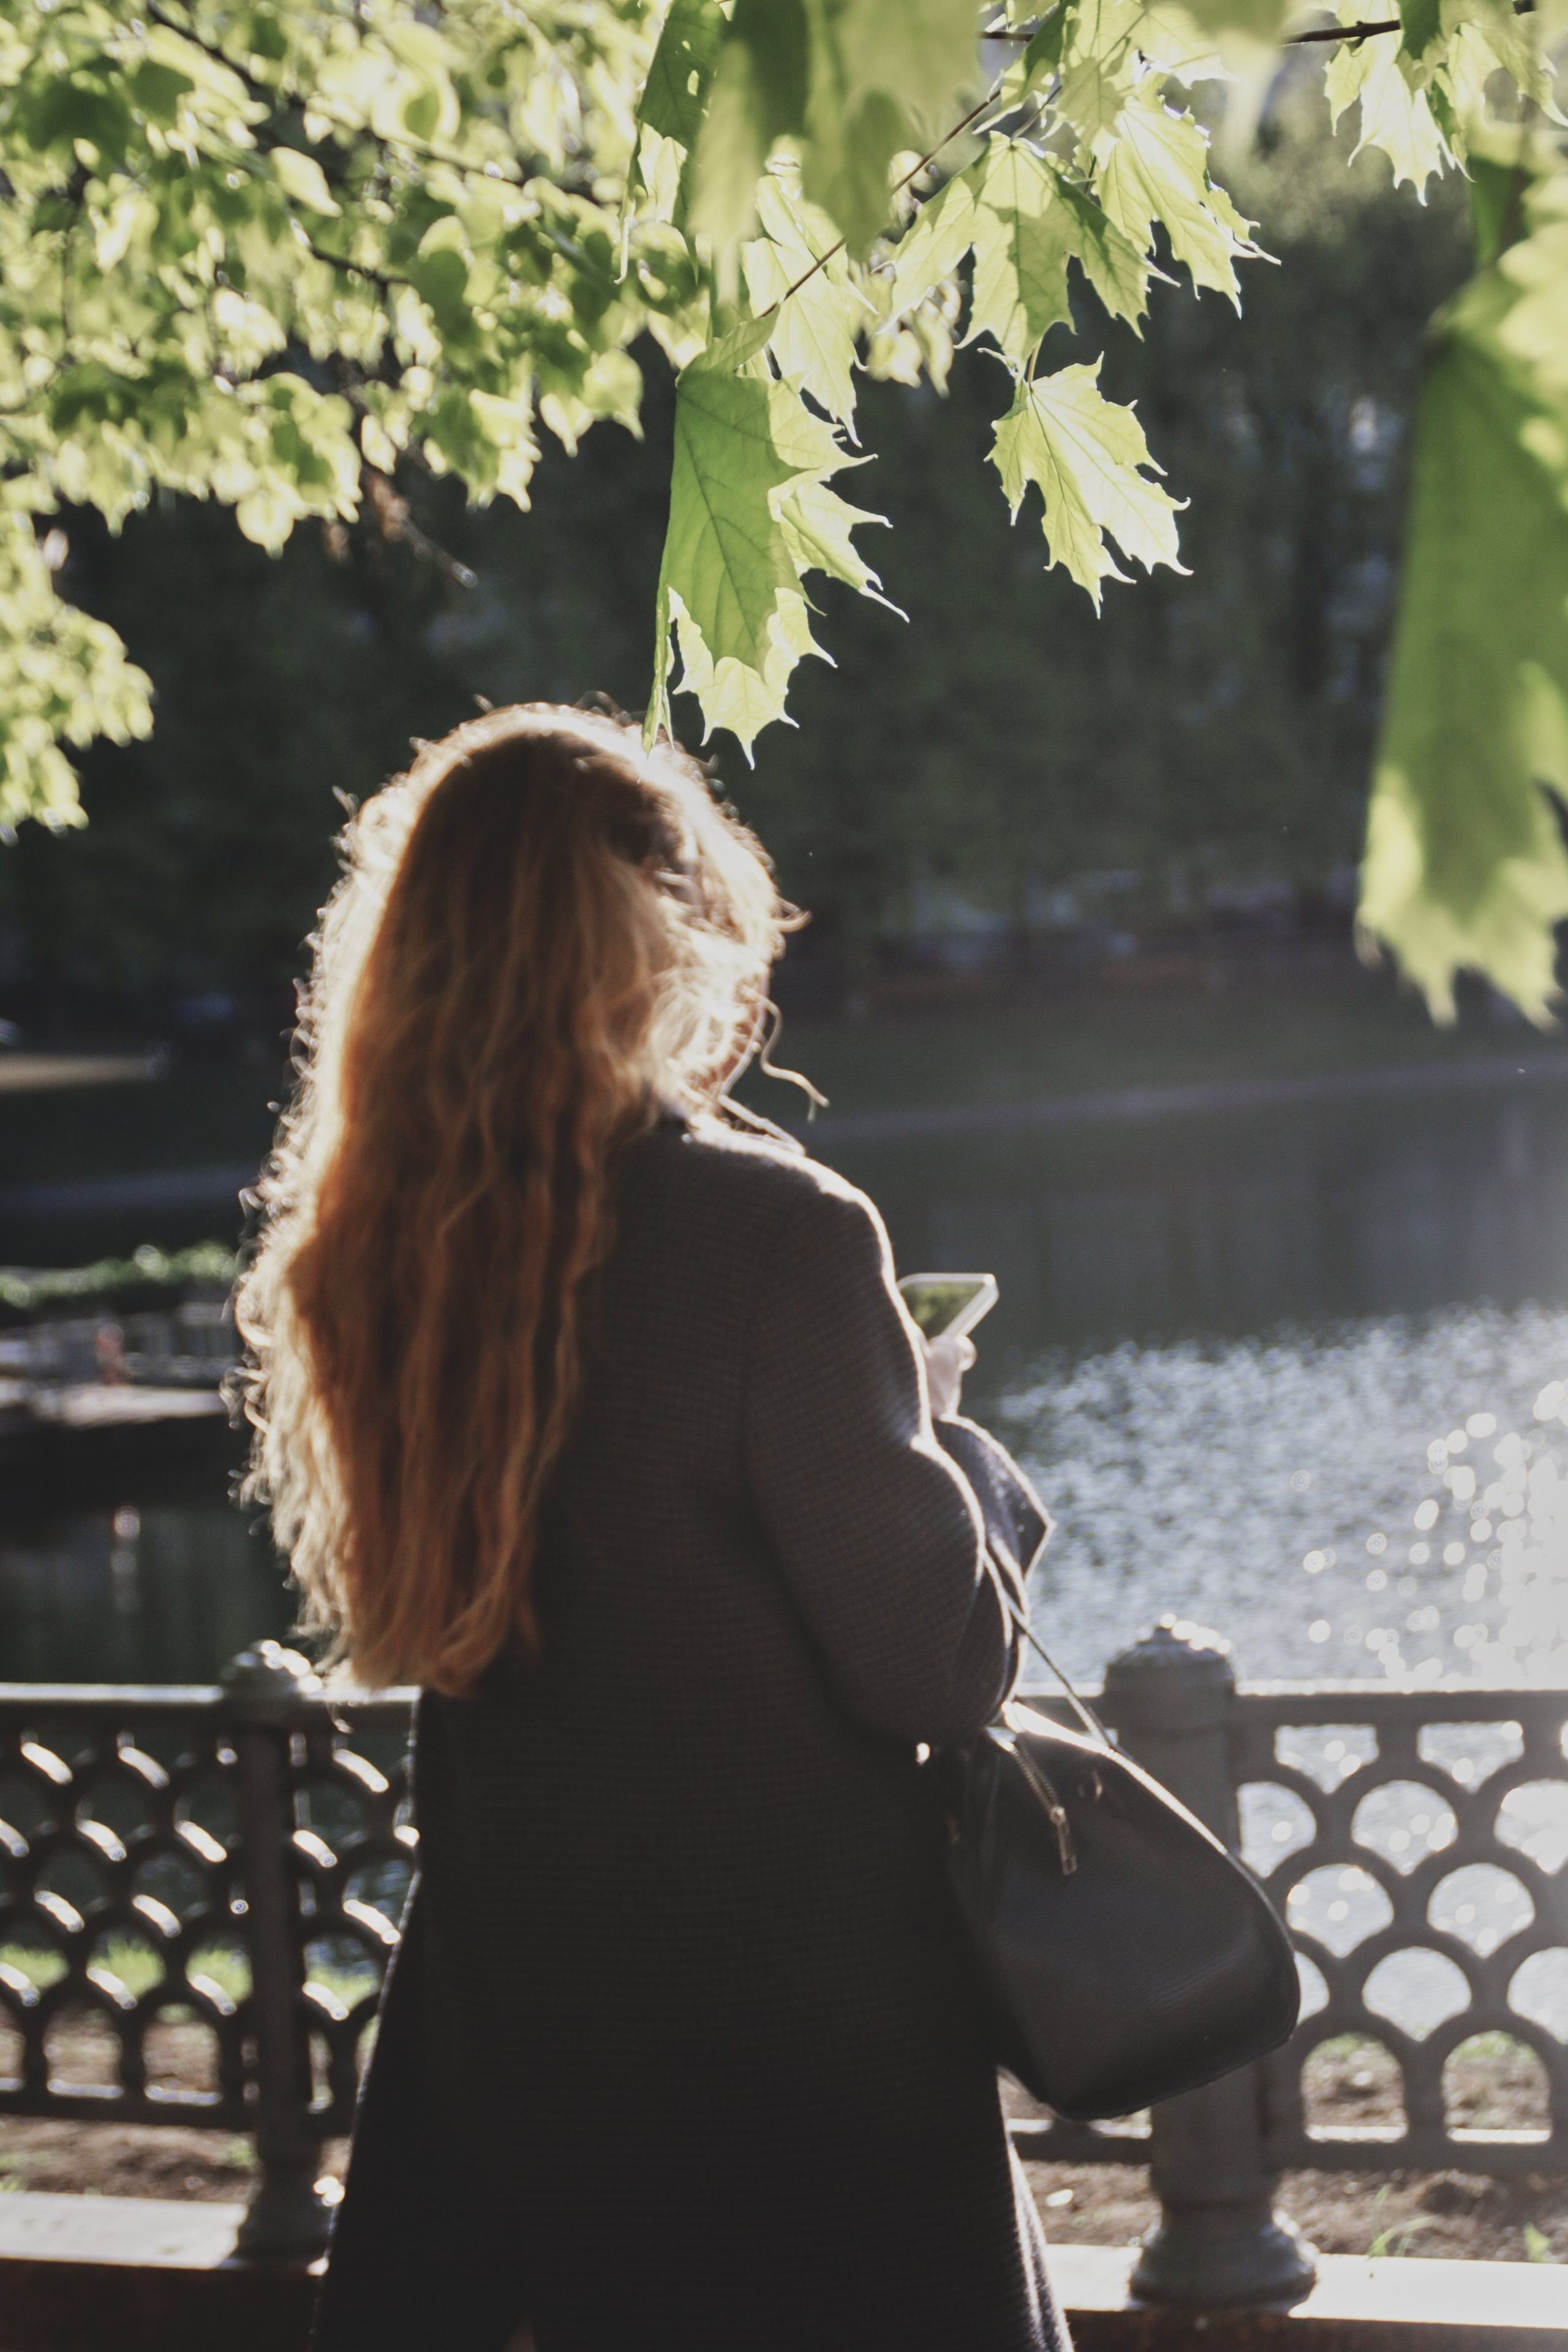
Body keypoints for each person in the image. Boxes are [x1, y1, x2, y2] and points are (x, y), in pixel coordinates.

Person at [238, 703, 1069, 2352]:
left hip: (519, 2033)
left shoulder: (378, 1257)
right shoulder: (777, 1232)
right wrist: (945, 1428)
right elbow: (935, 1667)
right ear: (664, 924)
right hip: (796, 2053)